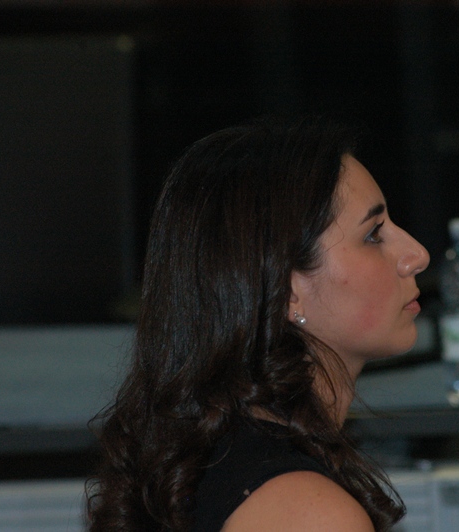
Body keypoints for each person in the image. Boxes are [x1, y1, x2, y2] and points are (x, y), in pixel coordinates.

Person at [86, 115, 430, 531]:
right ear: (287, 290)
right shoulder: (305, 512)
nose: (417, 254)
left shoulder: (215, 455)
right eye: (373, 235)